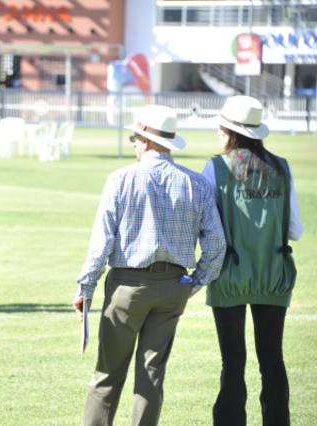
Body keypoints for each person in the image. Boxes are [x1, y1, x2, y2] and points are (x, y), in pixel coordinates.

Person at [73, 104, 226, 426]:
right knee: (152, 376)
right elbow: (216, 244)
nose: (133, 144)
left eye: (134, 138)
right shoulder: (196, 183)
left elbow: (102, 241)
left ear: (145, 142)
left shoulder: (121, 178)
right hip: (174, 287)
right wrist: (195, 283)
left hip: (128, 286)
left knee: (107, 375)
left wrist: (85, 286)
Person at [201, 95, 303, 426]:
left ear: (230, 131)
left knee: (232, 360)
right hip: (273, 273)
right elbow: (296, 230)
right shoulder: (282, 168)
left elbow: (206, 227)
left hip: (229, 273)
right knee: (272, 359)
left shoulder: (215, 167)